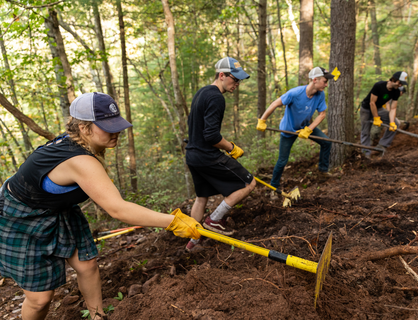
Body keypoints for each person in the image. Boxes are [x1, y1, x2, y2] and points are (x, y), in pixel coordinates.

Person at [0, 92, 202, 320]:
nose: (116, 132)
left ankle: (97, 316)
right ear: (85, 128)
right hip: (21, 217)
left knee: (87, 266)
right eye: (107, 126)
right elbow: (118, 209)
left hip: (57, 209)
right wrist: (172, 221)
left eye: (117, 125)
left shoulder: (80, 145)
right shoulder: (80, 160)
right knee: (40, 300)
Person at [185, 57, 256, 251]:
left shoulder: (202, 92)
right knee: (249, 183)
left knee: (201, 198)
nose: (237, 84)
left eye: (240, 80)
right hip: (207, 155)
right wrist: (231, 148)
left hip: (192, 155)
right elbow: (211, 136)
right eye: (235, 79)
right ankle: (214, 220)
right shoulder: (216, 97)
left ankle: (193, 242)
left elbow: (196, 126)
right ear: (222, 75)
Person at [256, 67, 334, 188]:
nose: (326, 84)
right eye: (324, 81)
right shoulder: (295, 93)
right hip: (288, 129)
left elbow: (322, 114)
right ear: (315, 80)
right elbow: (275, 104)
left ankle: (323, 172)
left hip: (305, 126)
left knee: (326, 142)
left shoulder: (320, 94)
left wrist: (309, 129)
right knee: (282, 161)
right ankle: (274, 186)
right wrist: (262, 120)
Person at [360, 71, 408, 158]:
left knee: (396, 123)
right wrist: (376, 118)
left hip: (379, 109)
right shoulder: (379, 85)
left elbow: (393, 108)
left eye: (402, 84)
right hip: (366, 109)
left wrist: (392, 122)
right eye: (399, 83)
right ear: (394, 79)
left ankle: (381, 146)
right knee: (365, 132)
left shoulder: (396, 92)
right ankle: (365, 154)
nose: (400, 85)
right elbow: (372, 103)